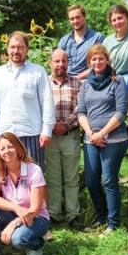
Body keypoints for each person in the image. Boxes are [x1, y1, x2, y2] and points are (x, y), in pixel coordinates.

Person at [0, 31, 55, 171]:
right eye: (12, 47)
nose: (16, 51)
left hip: (32, 135)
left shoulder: (38, 72)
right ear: (7, 49)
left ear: (27, 49)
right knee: (9, 178)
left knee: (35, 177)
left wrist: (47, 130)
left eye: (20, 47)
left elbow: (47, 102)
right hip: (7, 136)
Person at [0, 132, 50, 255]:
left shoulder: (34, 170)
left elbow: (35, 208)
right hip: (15, 213)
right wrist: (16, 208)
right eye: (2, 148)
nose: (6, 151)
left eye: (10, 147)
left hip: (36, 217)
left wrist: (13, 224)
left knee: (18, 240)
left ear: (18, 148)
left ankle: (37, 244)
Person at [78, 44, 128, 236]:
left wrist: (103, 133)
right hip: (91, 138)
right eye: (93, 59)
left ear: (107, 60)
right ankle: (101, 218)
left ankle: (113, 223)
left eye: (100, 58)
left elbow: (121, 111)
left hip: (114, 139)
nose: (97, 62)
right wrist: (91, 133)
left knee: (108, 180)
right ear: (89, 62)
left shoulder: (117, 81)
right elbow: (82, 111)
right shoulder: (85, 85)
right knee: (91, 181)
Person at [45, 49, 83, 230]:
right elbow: (39, 107)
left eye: (64, 61)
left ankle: (73, 214)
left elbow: (80, 109)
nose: (61, 64)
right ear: (50, 63)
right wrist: (53, 125)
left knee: (71, 178)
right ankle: (53, 214)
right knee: (52, 178)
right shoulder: (43, 83)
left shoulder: (77, 83)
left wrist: (65, 125)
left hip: (70, 136)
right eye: (57, 61)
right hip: (50, 137)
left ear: (68, 63)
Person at [58, 4, 104, 80]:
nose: (75, 21)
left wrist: (76, 79)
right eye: (72, 19)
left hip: (87, 80)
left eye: (78, 17)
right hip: (65, 80)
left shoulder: (97, 38)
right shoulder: (64, 41)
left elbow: (98, 64)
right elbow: (58, 63)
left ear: (84, 16)